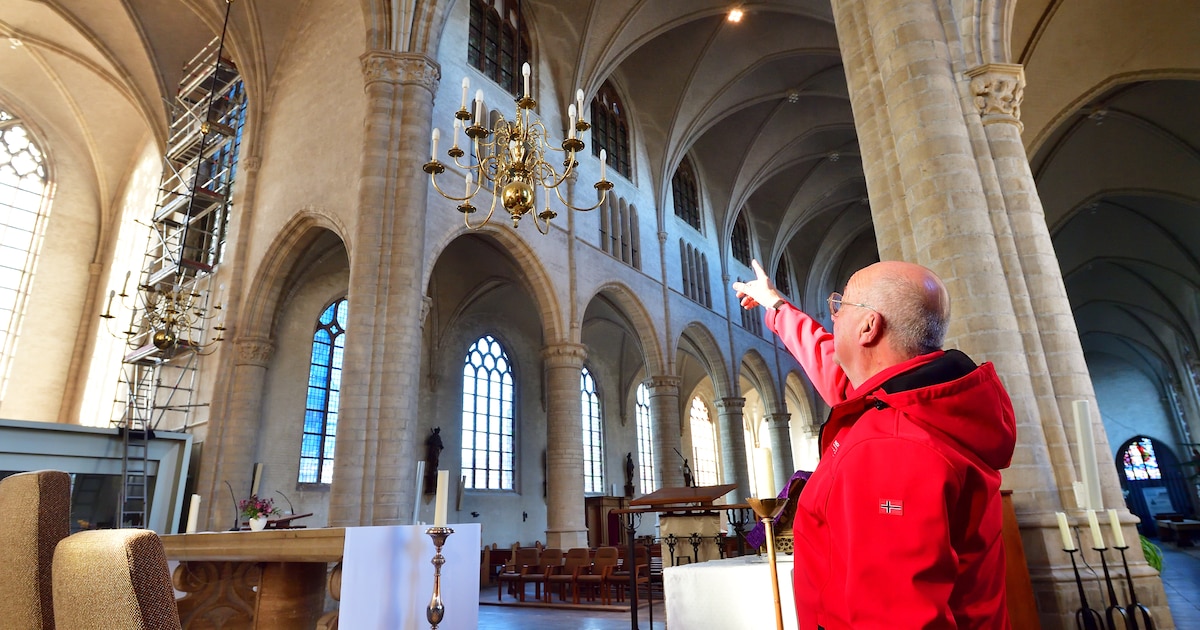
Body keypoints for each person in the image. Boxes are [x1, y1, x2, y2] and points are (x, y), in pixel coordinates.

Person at [733, 259, 1016, 629]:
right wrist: (776, 306)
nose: (833, 317)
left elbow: (897, 616)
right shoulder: (918, 400)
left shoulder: (890, 447)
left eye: (841, 305)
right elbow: (832, 367)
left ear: (869, 327)